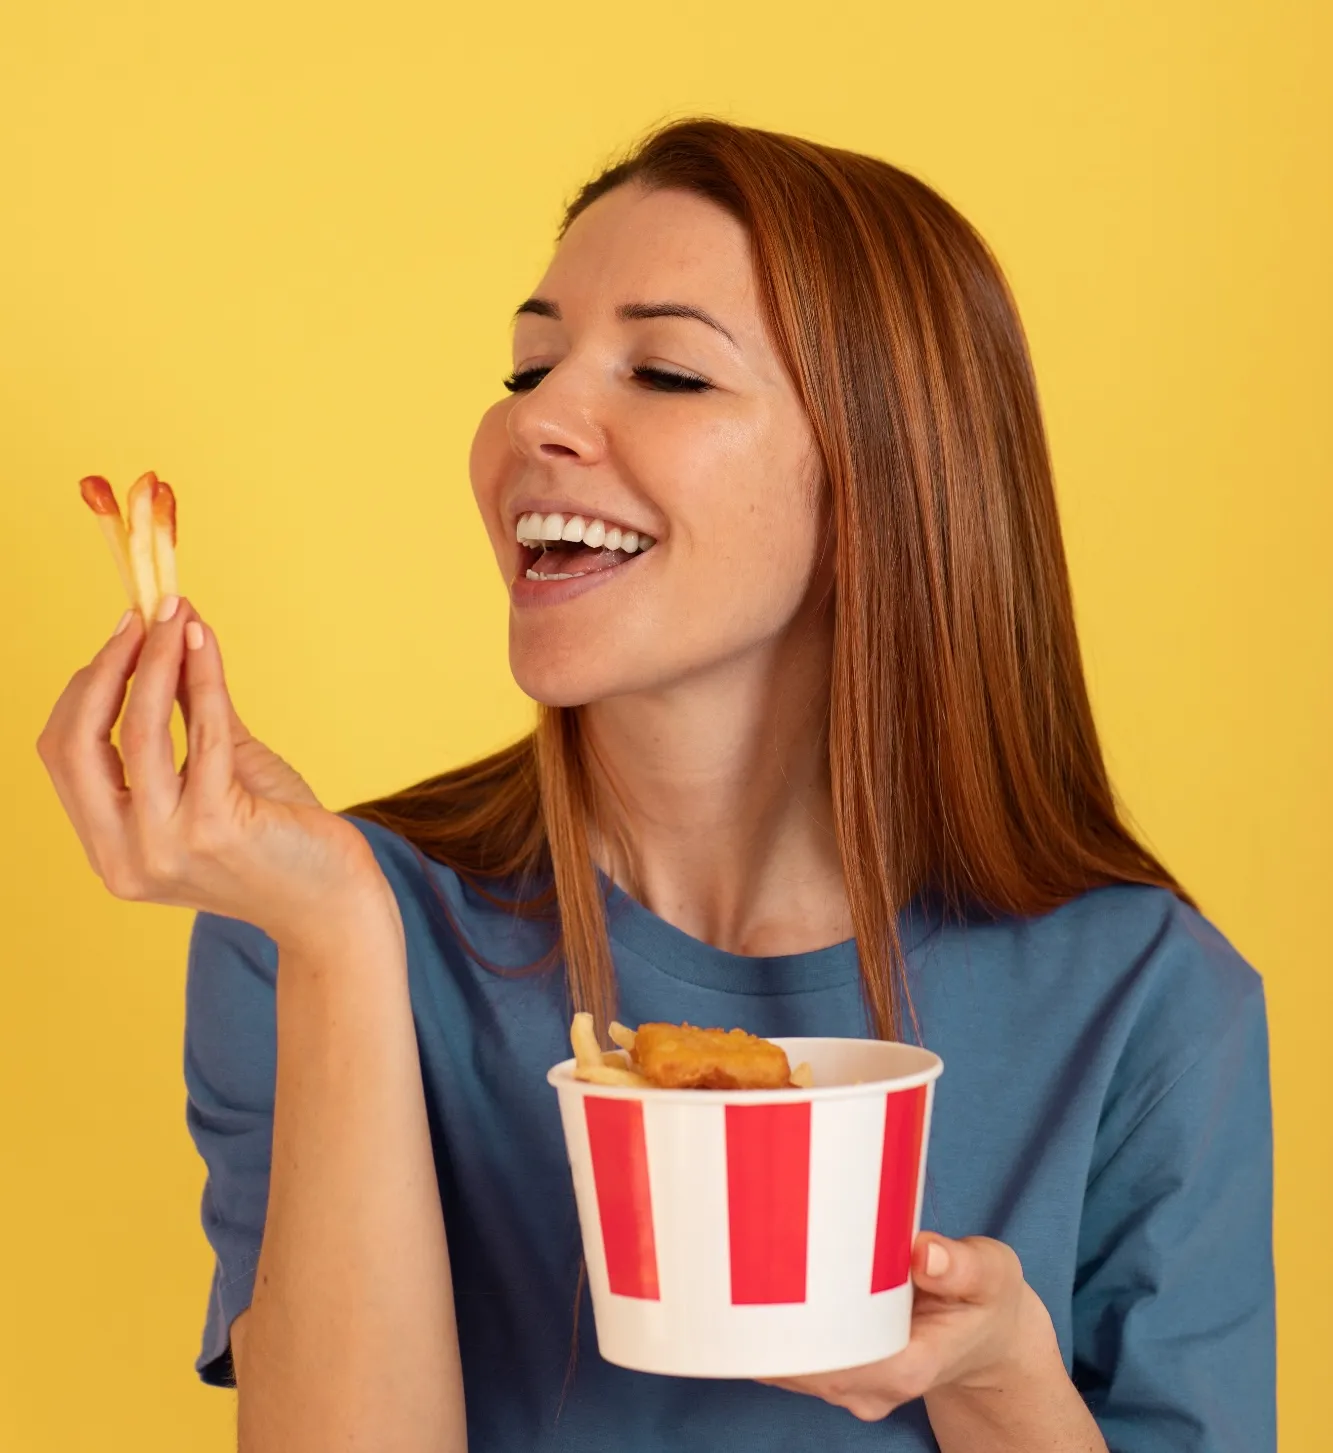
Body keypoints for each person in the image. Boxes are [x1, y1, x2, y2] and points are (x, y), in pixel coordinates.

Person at [37, 118, 1275, 1452]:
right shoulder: (311, 922)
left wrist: (1000, 1379)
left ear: (883, 482)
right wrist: (337, 936)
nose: (535, 416)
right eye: (528, 365)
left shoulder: (1146, 1000)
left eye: (669, 373)